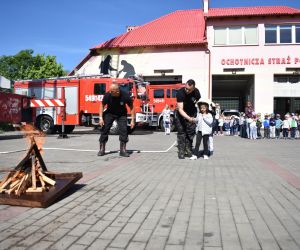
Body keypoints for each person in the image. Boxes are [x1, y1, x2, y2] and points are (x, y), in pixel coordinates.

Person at [98, 83, 135, 157]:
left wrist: (132, 120)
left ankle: (123, 150)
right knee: (105, 129)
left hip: (121, 114)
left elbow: (131, 107)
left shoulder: (125, 95)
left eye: (112, 91)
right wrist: (100, 118)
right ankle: (102, 149)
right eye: (110, 91)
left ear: (117, 91)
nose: (110, 92)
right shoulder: (108, 95)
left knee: (124, 131)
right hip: (109, 113)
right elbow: (101, 105)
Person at [175, 79, 201, 159]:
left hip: (192, 113)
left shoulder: (196, 92)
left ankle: (188, 149)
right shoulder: (180, 93)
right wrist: (189, 118)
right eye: (186, 88)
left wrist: (196, 115)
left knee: (190, 133)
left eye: (189, 89)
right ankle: (181, 151)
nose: (186, 90)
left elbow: (197, 101)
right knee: (182, 133)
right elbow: (180, 109)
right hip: (181, 114)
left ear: (193, 88)